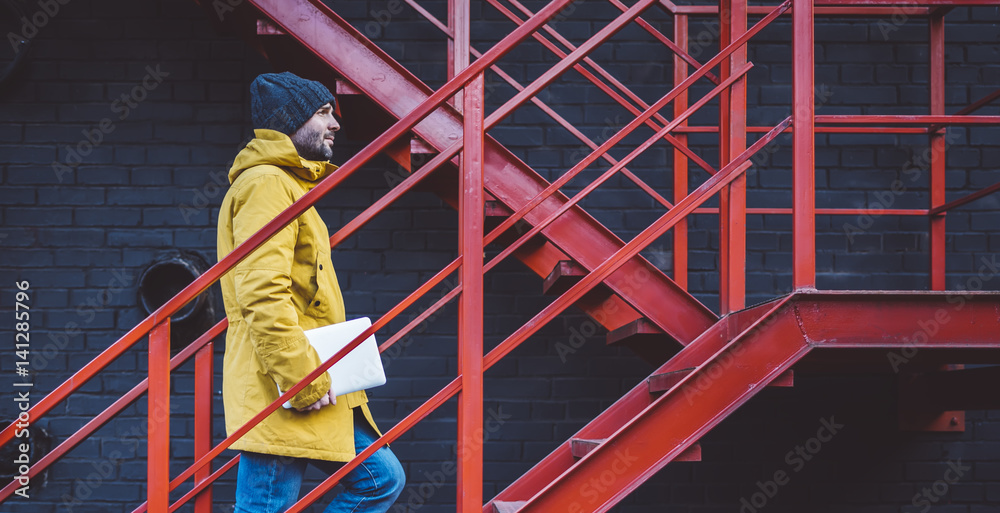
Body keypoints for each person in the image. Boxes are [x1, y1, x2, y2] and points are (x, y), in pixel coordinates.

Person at [216, 72, 405, 513]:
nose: (335, 123)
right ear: (289, 120)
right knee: (268, 505)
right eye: (322, 113)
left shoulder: (286, 184)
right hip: (287, 380)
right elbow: (262, 293)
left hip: (305, 377)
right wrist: (300, 376)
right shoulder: (268, 184)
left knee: (380, 477)